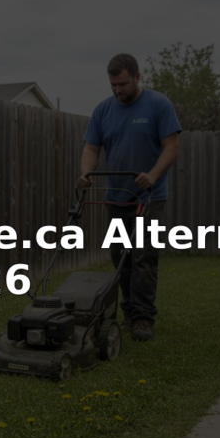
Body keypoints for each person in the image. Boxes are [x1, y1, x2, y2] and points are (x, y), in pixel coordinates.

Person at [77, 53, 181, 343]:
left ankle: (143, 318)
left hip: (150, 196)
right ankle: (128, 314)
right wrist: (86, 173)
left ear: (137, 77)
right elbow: (91, 149)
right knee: (120, 257)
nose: (117, 90)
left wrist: (153, 174)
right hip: (116, 197)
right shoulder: (103, 111)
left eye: (122, 84)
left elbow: (172, 147)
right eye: (113, 85)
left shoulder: (158, 105)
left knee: (144, 257)